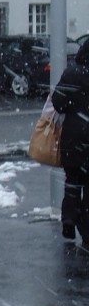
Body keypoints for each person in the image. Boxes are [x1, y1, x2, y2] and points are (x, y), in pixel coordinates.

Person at [52, 41, 89, 243]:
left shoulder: (72, 74)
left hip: (73, 138)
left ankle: (69, 219)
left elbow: (58, 104)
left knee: (73, 181)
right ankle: (86, 229)